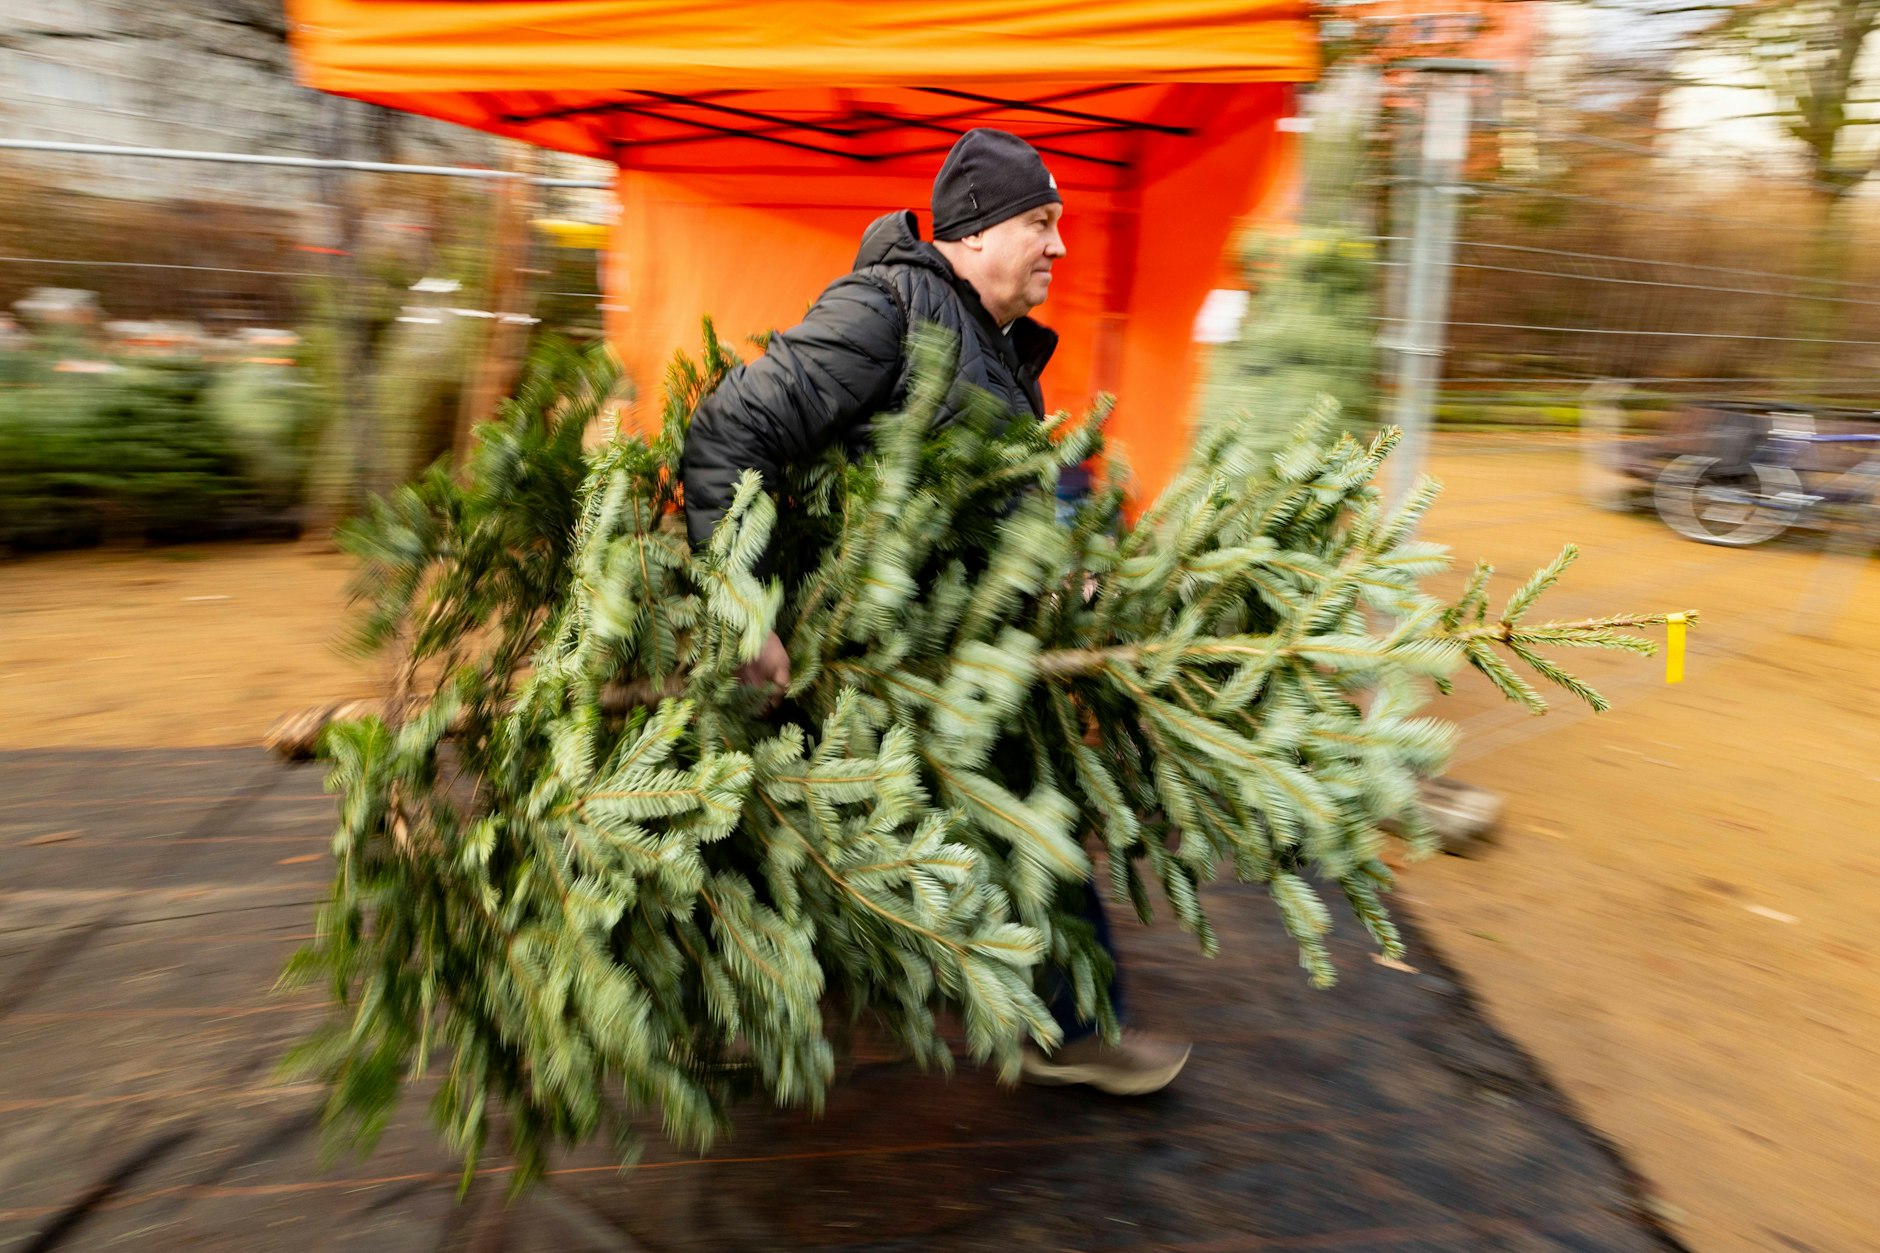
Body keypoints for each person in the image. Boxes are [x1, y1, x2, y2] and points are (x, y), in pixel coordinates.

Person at [681, 128, 1190, 1096]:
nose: (1058, 246)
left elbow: (981, 503)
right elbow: (731, 425)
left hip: (955, 655)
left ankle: (1070, 1029)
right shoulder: (885, 310)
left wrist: (1046, 585)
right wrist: (744, 603)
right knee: (789, 844)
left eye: (1059, 224)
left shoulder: (992, 343)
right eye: (1040, 222)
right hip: (861, 660)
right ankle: (725, 1014)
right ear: (972, 231)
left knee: (1036, 822)